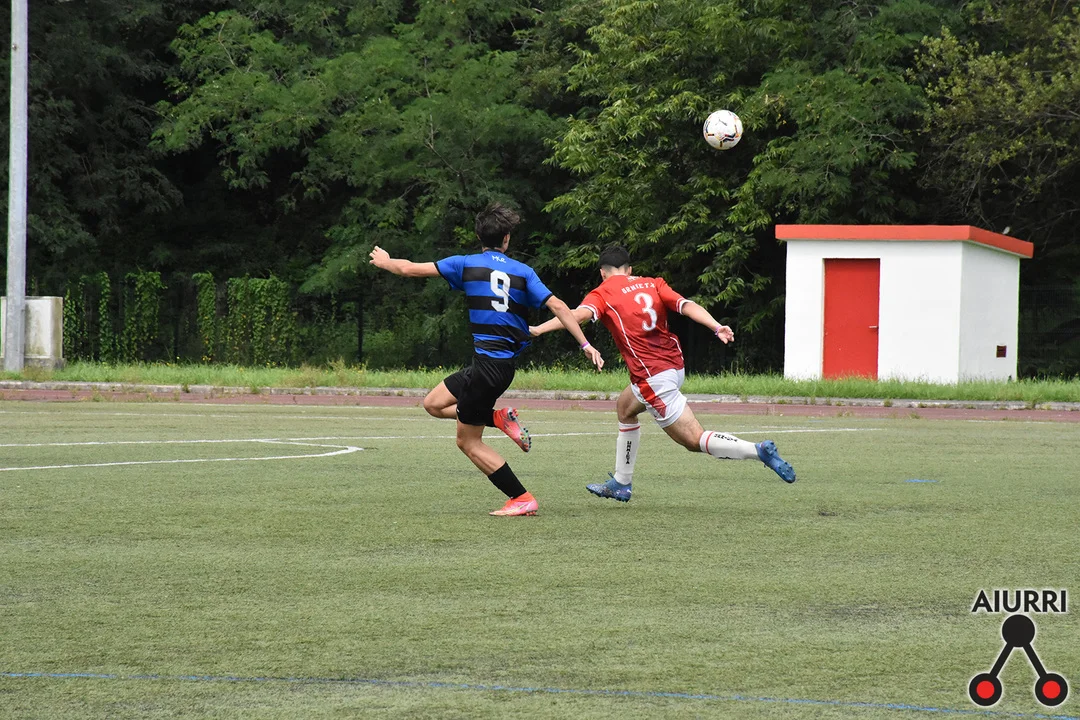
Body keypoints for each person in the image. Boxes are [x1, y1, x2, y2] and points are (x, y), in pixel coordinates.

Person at [369, 203, 604, 516]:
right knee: (433, 404)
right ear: (506, 239)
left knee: (468, 442)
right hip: (491, 367)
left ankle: (521, 497)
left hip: (488, 371)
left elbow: (409, 269)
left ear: (479, 237)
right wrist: (585, 344)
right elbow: (560, 306)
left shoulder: (465, 264)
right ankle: (497, 418)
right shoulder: (523, 272)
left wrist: (385, 262)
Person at [529, 245, 795, 502]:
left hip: (653, 377)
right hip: (674, 367)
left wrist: (539, 329)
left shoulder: (603, 292)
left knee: (693, 439)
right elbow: (687, 305)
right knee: (625, 407)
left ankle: (757, 450)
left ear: (602, 272)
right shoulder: (652, 283)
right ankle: (621, 482)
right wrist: (717, 326)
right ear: (629, 269)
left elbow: (575, 316)